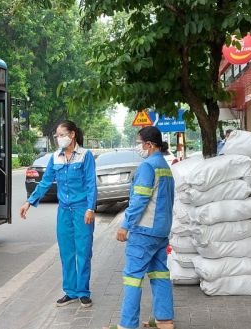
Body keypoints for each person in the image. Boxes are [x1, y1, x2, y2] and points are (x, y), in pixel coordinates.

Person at [19, 120, 97, 308]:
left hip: (81, 210)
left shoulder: (85, 156)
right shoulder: (55, 157)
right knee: (66, 252)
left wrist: (90, 208)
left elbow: (91, 184)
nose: (58, 138)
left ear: (72, 135)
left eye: (61, 134)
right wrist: (29, 201)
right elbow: (45, 182)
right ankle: (70, 292)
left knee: (83, 251)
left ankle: (83, 292)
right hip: (64, 211)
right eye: (57, 135)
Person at [106, 126, 175, 329]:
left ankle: (127, 325)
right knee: (160, 274)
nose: (138, 147)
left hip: (144, 231)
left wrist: (125, 225)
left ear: (149, 144)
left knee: (132, 278)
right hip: (161, 231)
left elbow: (139, 200)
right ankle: (164, 321)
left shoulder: (147, 166)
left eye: (139, 143)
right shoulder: (164, 166)